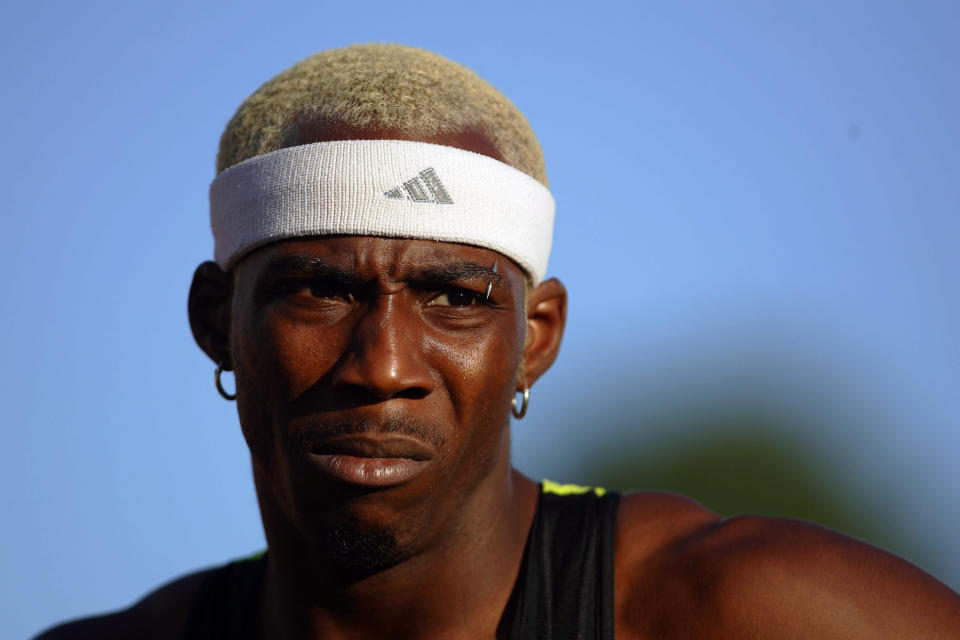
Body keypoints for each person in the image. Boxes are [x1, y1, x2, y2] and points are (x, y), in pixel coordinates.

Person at [38, 43, 960, 640]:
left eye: (452, 298)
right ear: (217, 326)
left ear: (536, 339)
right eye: (320, 289)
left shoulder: (752, 613)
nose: (384, 366)